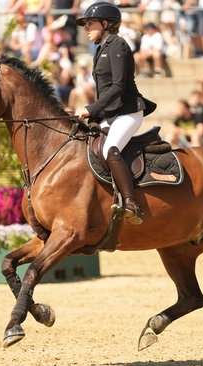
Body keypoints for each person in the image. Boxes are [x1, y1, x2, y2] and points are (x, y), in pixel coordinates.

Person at [75, 1, 157, 225]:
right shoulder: (101, 48)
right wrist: (92, 115)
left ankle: (131, 203)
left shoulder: (118, 45)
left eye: (90, 23)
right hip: (111, 114)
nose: (86, 28)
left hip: (128, 112)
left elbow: (118, 86)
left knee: (112, 150)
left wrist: (91, 109)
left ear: (105, 24)